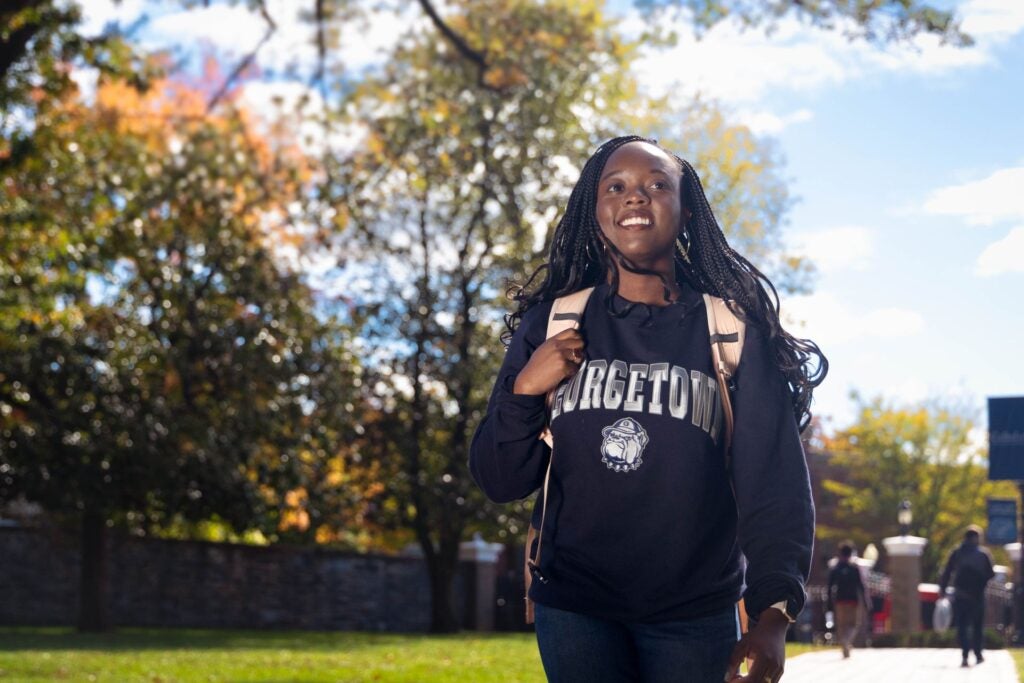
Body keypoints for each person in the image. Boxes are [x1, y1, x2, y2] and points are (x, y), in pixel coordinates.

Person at [469, 135, 827, 683]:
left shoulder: (729, 331)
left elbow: (773, 482)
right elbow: (500, 480)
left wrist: (773, 613)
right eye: (617, 187)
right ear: (596, 211)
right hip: (575, 605)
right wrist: (524, 389)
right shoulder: (555, 323)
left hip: (695, 610)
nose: (636, 197)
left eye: (657, 185)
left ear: (686, 211)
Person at [939, 525, 995, 668]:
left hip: (961, 595)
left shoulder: (957, 552)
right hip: (978, 596)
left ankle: (965, 654)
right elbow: (991, 574)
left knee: (962, 626)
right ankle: (978, 654)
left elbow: (947, 572)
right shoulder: (983, 554)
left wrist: (943, 591)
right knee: (977, 626)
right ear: (976, 538)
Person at [826, 542, 870, 659]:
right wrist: (866, 602)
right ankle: (847, 641)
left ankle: (844, 643)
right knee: (854, 624)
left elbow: (830, 587)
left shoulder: (835, 568)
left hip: (839, 601)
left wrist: (829, 603)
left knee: (841, 625)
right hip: (853, 601)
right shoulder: (854, 568)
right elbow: (861, 586)